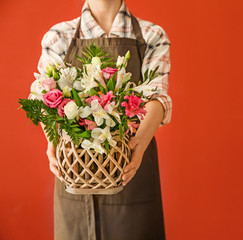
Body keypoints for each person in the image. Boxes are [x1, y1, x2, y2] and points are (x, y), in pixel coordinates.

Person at [27, 0, 172, 239]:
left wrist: (138, 145)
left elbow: (157, 98)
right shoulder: (58, 37)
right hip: (74, 171)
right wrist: (52, 138)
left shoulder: (151, 36)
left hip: (129, 169)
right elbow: (43, 95)